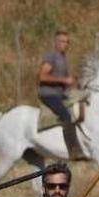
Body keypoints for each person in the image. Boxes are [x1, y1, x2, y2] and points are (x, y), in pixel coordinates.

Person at [38, 30, 86, 161]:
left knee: (83, 101)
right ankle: (73, 151)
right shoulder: (51, 57)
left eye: (67, 42)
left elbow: (62, 81)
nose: (66, 44)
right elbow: (42, 76)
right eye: (63, 41)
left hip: (60, 94)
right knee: (66, 115)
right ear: (56, 43)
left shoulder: (62, 58)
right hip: (48, 94)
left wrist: (75, 81)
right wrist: (64, 80)